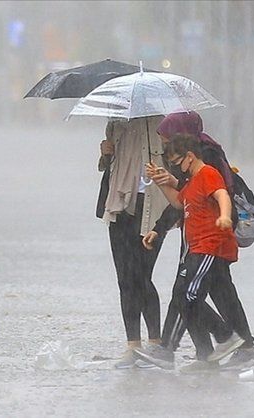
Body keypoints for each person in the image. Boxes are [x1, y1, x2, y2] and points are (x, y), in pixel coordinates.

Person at [136, 114, 254, 372]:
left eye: (169, 143)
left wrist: (224, 217)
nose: (166, 152)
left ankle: (197, 345)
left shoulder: (206, 161)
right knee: (219, 293)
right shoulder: (192, 164)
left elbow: (217, 194)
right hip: (201, 237)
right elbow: (183, 200)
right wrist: (159, 224)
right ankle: (221, 352)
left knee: (185, 293)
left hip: (210, 238)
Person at [97, 115, 170, 369]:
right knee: (125, 278)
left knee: (142, 275)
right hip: (119, 206)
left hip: (152, 207)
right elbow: (108, 166)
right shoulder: (115, 122)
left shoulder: (162, 123)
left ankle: (155, 342)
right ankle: (133, 345)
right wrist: (105, 153)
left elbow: (176, 165)